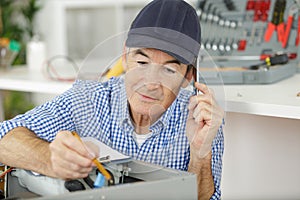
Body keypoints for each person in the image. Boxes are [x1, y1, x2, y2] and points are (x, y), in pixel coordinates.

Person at [0, 0, 224, 199]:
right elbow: (4, 138)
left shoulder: (201, 118)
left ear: (188, 76)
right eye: (142, 62)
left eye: (169, 70)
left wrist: (199, 152)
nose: (150, 83)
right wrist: (48, 158)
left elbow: (205, 197)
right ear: (125, 57)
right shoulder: (88, 100)